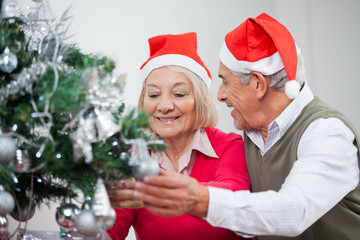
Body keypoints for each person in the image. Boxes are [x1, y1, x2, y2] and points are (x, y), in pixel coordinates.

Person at [133, 13, 360, 240]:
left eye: (226, 81)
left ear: (258, 84)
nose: (220, 95)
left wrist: (199, 199)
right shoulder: (254, 132)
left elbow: (295, 210)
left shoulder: (327, 133)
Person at [106, 32, 250, 240]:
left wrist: (152, 183)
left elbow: (234, 198)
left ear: (199, 100)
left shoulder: (229, 146)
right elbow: (109, 230)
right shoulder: (132, 156)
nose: (164, 106)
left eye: (179, 94)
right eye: (154, 95)